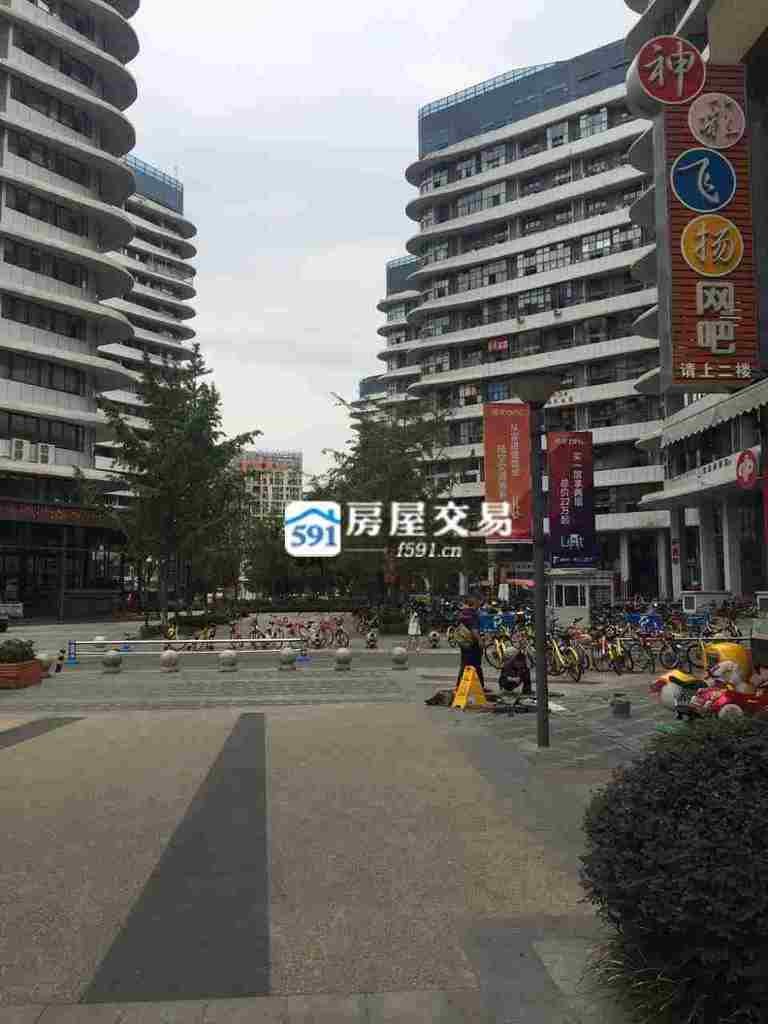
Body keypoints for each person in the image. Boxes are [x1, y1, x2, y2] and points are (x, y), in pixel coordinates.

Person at [455, 595, 486, 690]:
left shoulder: (462, 613)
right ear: (475, 603)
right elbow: (474, 630)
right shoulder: (473, 614)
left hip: (463, 642)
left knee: (465, 664)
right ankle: (480, 686)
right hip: (473, 643)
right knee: (476, 665)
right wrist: (480, 641)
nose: (480, 605)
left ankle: (460, 685)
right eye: (479, 603)